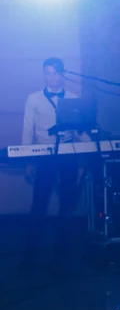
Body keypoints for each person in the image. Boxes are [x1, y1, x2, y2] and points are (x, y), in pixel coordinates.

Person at [19, 57, 87, 273]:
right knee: (39, 204)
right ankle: (30, 257)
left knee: (67, 204)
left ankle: (62, 254)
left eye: (56, 73)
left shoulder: (74, 98)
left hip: (68, 155)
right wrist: (27, 160)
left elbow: (79, 130)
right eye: (48, 73)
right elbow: (27, 130)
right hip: (44, 155)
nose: (52, 77)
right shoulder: (33, 99)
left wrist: (94, 142)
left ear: (62, 74)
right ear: (44, 75)